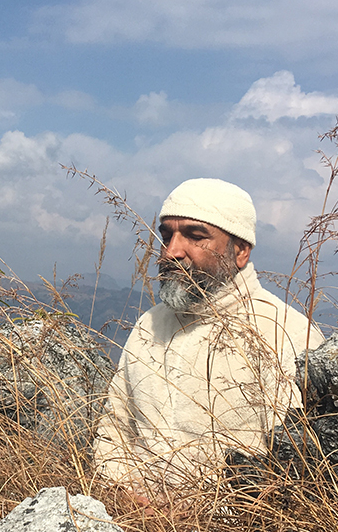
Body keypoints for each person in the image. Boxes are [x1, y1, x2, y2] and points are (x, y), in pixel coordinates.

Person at [93, 178, 324, 496]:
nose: (171, 252)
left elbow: (293, 467)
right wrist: (121, 494)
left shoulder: (286, 334)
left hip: (231, 526)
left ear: (240, 251)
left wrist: (202, 514)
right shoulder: (149, 325)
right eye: (166, 236)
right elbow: (115, 427)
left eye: (195, 236)